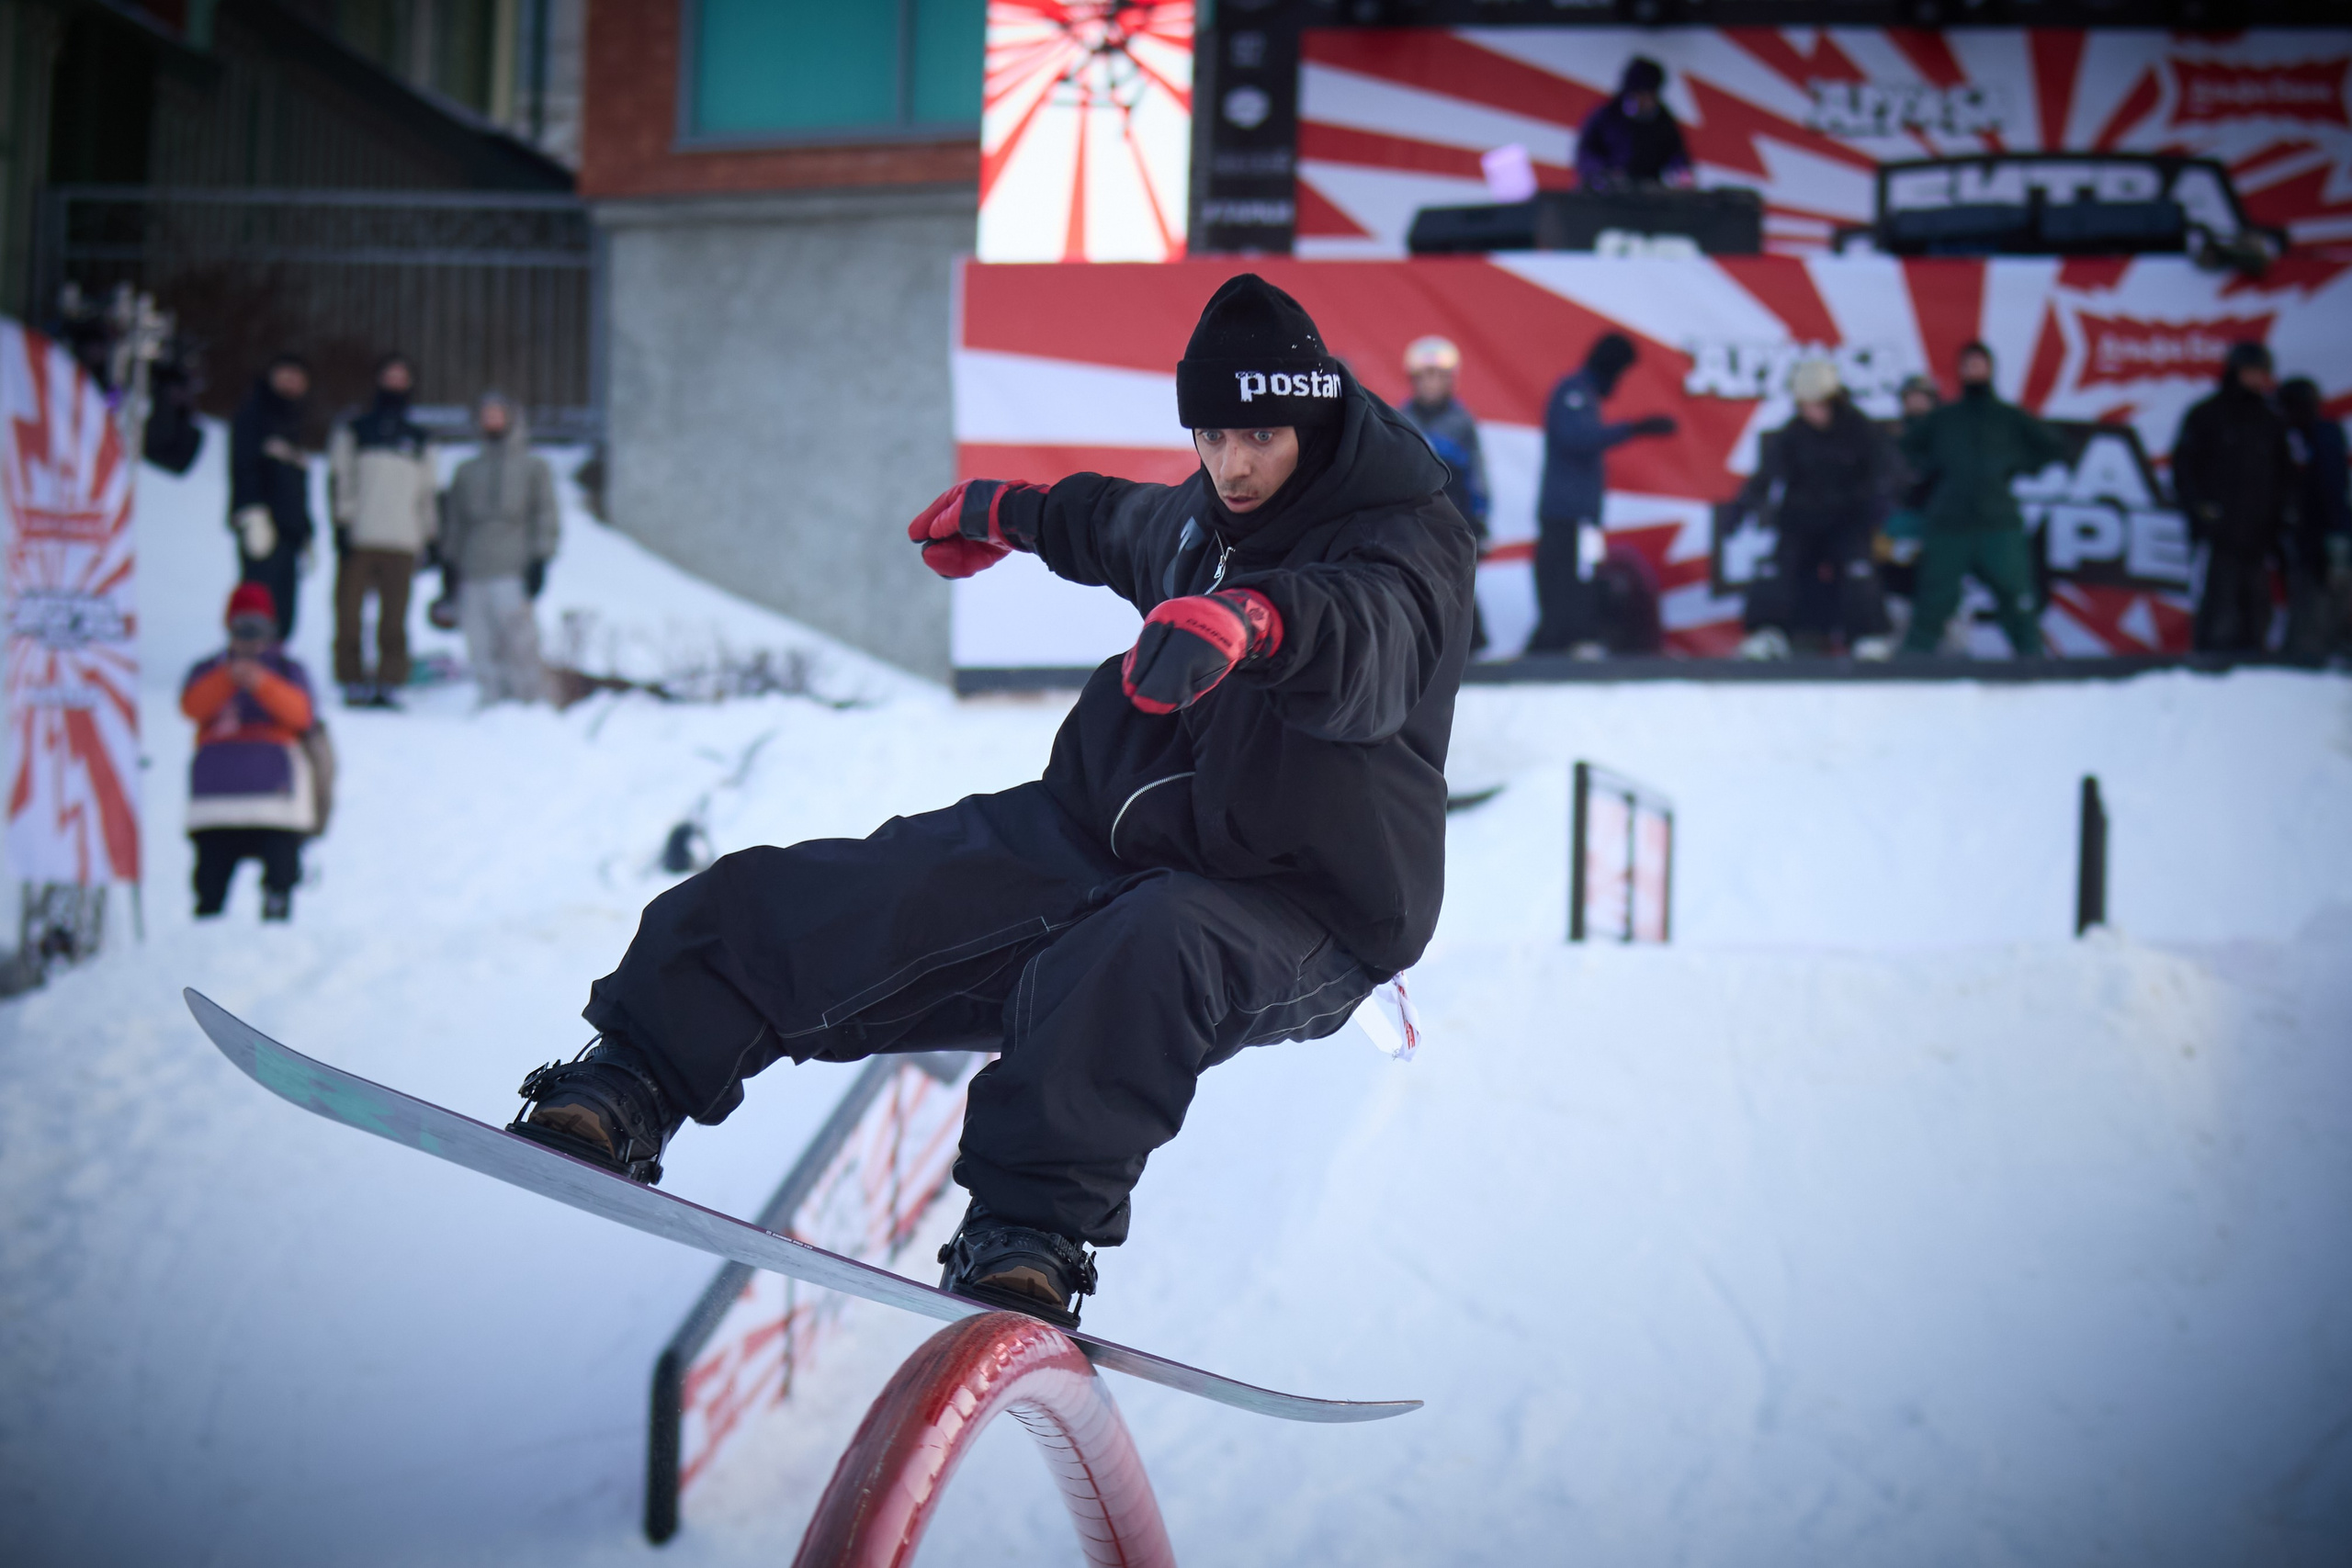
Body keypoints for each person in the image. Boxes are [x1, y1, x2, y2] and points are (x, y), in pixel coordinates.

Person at [504, 274, 1476, 1327]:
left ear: (1311, 422)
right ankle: (631, 1078)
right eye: (1209, 436)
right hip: (1112, 831)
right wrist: (1011, 513)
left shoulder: (1407, 538)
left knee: (1144, 953)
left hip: (1304, 902)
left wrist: (1257, 623)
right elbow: (1120, 522)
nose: (1231, 465)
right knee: (861, 891)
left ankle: (1028, 1236)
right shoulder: (1209, 517)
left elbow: (1375, 635)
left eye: (1258, 437)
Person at [1896, 342, 2064, 658]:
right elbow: (1904, 448)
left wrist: (2019, 464)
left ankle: (2034, 666)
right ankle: (1911, 666)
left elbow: (2053, 447)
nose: (1973, 371)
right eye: (1968, 365)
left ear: (1990, 368)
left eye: (1979, 364)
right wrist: (1925, 464)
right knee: (1934, 600)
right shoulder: (1946, 418)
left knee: (2016, 599)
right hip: (1950, 522)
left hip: (1998, 522)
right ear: (1959, 370)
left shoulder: (2008, 417)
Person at [1735, 360, 1895, 660]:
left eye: (1818, 405)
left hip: (1848, 518)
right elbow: (1766, 475)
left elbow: (1885, 473)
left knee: (1858, 570)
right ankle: (1771, 633)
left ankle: (1867, 637)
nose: (1812, 412)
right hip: (1801, 518)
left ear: (1833, 402)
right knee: (1778, 568)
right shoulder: (1793, 433)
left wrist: (1878, 508)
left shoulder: (1861, 430)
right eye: (1805, 406)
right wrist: (1742, 506)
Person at [1529, 333, 1676, 655]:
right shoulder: (1574, 392)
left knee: (1588, 573)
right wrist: (1633, 428)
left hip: (1587, 518)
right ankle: (1557, 646)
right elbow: (1576, 438)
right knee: (1563, 578)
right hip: (1566, 514)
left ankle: (1579, 639)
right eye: (1620, 373)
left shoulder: (1586, 395)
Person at [181, 583, 319, 921]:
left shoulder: (286, 670)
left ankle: (276, 919)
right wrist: (227, 678)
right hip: (215, 802)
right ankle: (202, 939)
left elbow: (302, 714)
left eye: (258, 627)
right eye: (242, 627)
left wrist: (262, 683)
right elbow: (191, 707)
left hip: (276, 799)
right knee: (210, 882)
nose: (250, 637)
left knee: (280, 870)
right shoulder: (210, 669)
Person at [328, 353, 437, 709]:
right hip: (361, 537)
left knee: (394, 619)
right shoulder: (356, 430)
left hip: (403, 541)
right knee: (349, 614)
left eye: (401, 376)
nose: (395, 382)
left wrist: (430, 536)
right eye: (389, 375)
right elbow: (341, 479)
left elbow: (427, 493)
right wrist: (343, 524)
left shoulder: (419, 438)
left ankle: (390, 681)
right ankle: (351, 678)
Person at [2172, 343, 2294, 655]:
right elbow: (2184, 469)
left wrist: (2280, 519)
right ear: (2235, 371)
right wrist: (2199, 511)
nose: (2256, 379)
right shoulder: (2207, 415)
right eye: (2250, 371)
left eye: (2261, 373)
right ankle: (2211, 667)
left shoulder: (2270, 421)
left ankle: (2253, 666)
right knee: (2218, 608)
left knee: (2257, 609)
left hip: (2260, 535)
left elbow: (2284, 476)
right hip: (2218, 535)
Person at [441, 392, 560, 704]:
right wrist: (450, 563)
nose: (492, 421)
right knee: (480, 642)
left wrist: (540, 559)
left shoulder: (533, 467)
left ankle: (529, 703)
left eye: (498, 414)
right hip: (473, 568)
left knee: (521, 643)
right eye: (486, 415)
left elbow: (545, 514)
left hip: (513, 567)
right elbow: (455, 521)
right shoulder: (467, 471)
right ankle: (491, 705)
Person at [1396, 335, 1490, 652]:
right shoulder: (1400, 418)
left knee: (1457, 580)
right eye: (1425, 376)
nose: (1431, 384)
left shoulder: (1462, 422)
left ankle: (1469, 645)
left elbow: (1477, 473)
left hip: (1454, 516)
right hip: (1413, 518)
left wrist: (1481, 517)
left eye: (1438, 376)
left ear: (1451, 380)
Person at [228, 354, 316, 641]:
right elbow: (243, 467)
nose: (291, 383)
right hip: (262, 527)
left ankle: (275, 661)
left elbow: (299, 487)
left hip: (290, 533)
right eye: (285, 375)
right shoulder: (254, 415)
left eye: (297, 377)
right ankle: (249, 659)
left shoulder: (297, 424)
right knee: (256, 604)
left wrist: (306, 532)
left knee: (284, 610)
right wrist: (250, 512)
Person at [2278, 377, 2351, 660]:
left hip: (2325, 535)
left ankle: (2317, 659)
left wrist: (2336, 534)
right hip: (2315, 535)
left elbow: (2332, 488)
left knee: (2323, 600)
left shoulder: (2320, 436)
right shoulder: (2301, 437)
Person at [1575, 58, 1692, 193]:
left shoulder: (1663, 119)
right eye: (1642, 95)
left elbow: (1676, 154)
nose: (1647, 101)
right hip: (1608, 192)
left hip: (1647, 194)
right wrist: (1604, 173)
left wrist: (1682, 172)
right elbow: (1587, 153)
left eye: (1651, 95)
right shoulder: (1606, 115)